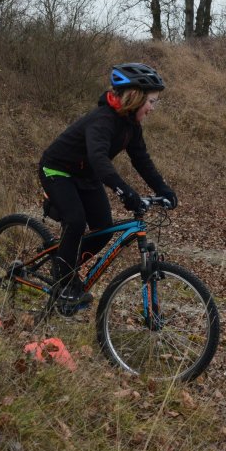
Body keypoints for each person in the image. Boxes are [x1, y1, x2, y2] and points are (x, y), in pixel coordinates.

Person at [38, 62, 177, 306]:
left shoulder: (131, 126)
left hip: (86, 176)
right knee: (76, 220)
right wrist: (125, 191)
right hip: (57, 169)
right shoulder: (102, 120)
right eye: (151, 102)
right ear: (135, 97)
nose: (153, 108)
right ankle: (65, 280)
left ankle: (64, 266)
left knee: (103, 229)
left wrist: (162, 189)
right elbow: (98, 159)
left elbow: (141, 160)